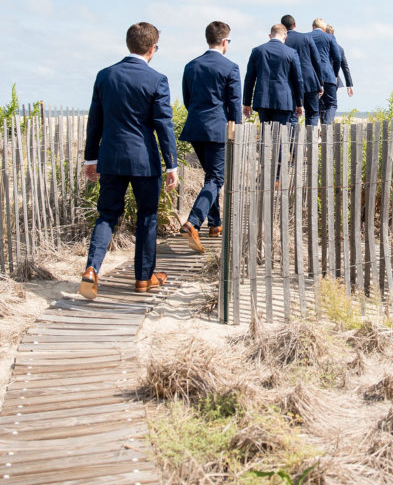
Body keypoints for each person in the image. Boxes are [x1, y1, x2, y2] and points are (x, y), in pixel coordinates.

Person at [80, 22, 178, 299]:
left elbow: (94, 122)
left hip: (110, 157)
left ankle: (91, 270)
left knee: (107, 214)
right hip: (144, 161)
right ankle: (143, 278)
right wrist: (172, 164)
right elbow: (163, 125)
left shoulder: (105, 76)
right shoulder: (157, 79)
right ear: (151, 48)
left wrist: (91, 158)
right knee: (147, 216)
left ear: (129, 44)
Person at [178, 21, 242, 255]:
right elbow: (234, 104)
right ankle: (193, 222)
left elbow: (187, 99)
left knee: (210, 178)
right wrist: (235, 130)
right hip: (217, 129)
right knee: (216, 178)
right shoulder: (230, 67)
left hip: (195, 127)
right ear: (224, 41)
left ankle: (215, 224)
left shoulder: (190, 66)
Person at [243, 24, 304, 125]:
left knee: (265, 136)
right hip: (283, 100)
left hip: (263, 100)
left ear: (270, 35)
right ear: (285, 35)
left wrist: (246, 102)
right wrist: (299, 103)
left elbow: (249, 79)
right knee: (281, 136)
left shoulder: (257, 51)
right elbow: (298, 80)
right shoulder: (291, 52)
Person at [281, 13, 324, 126]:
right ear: (295, 24)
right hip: (309, 81)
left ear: (282, 26)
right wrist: (320, 83)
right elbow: (317, 61)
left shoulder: (282, 40)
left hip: (290, 82)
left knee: (292, 115)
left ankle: (292, 142)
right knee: (313, 114)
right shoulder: (306, 38)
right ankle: (311, 142)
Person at [310, 18, 342, 124]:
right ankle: (326, 128)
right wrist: (335, 74)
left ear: (313, 27)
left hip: (311, 75)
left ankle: (313, 132)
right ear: (324, 29)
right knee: (331, 104)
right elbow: (337, 58)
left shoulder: (306, 37)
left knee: (313, 106)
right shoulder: (329, 37)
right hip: (327, 75)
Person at [325, 23, 354, 125]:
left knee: (323, 106)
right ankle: (326, 127)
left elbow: (345, 67)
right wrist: (349, 85)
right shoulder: (339, 48)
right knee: (330, 105)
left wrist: (349, 85)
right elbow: (345, 68)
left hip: (323, 79)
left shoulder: (321, 46)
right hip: (334, 80)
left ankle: (323, 128)